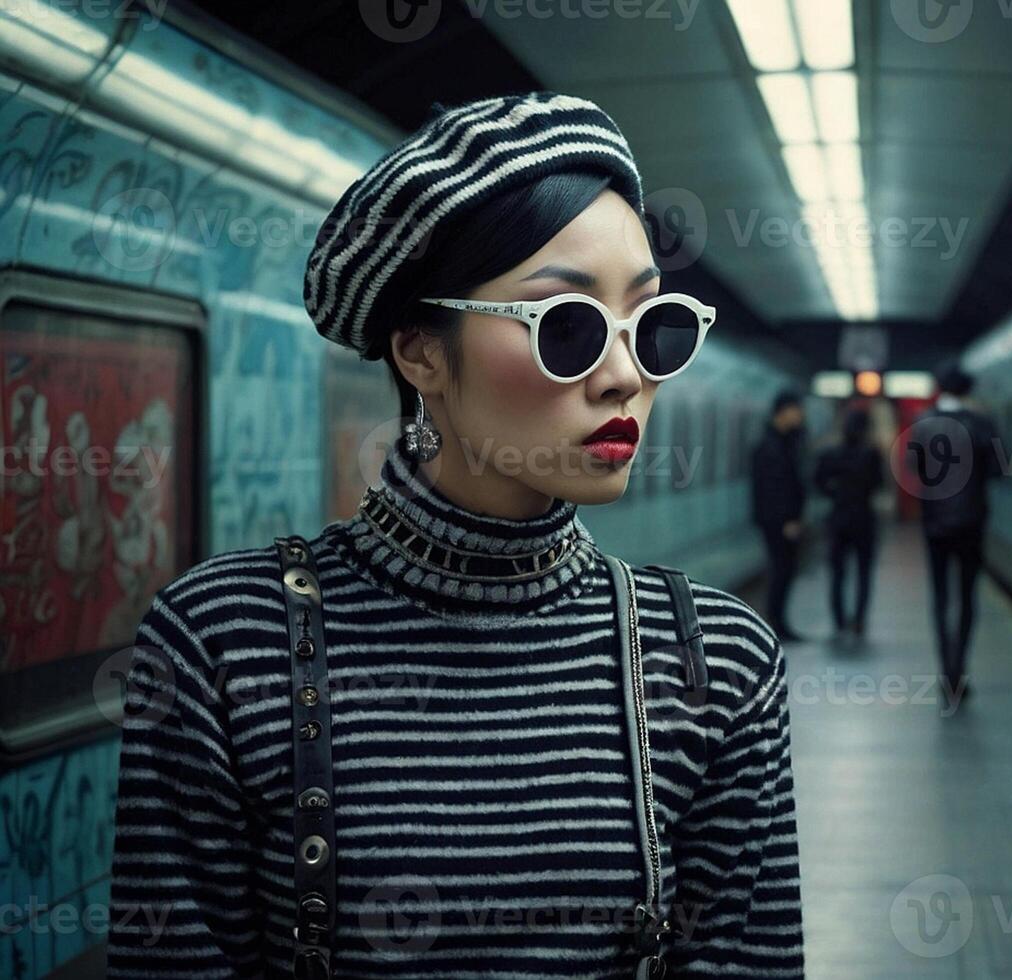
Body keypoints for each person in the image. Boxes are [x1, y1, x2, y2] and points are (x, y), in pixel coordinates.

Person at [106, 93, 805, 979]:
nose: (625, 375)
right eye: (569, 327)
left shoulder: (716, 660)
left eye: (651, 326)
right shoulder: (222, 647)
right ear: (421, 352)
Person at [914, 362, 1001, 712]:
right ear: (968, 390)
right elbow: (998, 469)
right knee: (966, 598)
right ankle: (959, 672)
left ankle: (944, 673)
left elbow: (916, 470)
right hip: (971, 524)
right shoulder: (982, 424)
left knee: (939, 598)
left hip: (935, 523)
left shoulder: (923, 424)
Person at [814, 405, 883, 639]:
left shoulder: (830, 453)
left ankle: (839, 620)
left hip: (838, 518)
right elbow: (878, 484)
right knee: (864, 573)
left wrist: (836, 492)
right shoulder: (872, 454)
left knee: (837, 573)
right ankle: (860, 619)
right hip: (864, 519)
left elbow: (818, 482)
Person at [752, 390, 807, 642]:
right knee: (780, 571)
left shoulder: (783, 441)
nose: (800, 416)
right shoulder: (771, 446)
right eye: (796, 410)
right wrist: (787, 520)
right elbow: (773, 488)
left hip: (780, 520)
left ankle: (779, 621)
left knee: (783, 570)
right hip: (779, 522)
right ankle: (775, 623)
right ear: (783, 411)